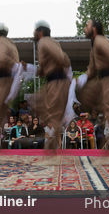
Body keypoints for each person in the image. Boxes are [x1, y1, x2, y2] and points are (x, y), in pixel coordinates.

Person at [79, 19, 109, 149]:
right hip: (105, 81)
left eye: (86, 26)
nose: (84, 28)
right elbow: (92, 70)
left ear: (94, 29)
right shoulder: (95, 45)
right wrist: (80, 79)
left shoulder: (100, 41)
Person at [28, 20, 70, 150]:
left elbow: (63, 59)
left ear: (40, 32)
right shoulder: (49, 42)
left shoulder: (44, 41)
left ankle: (51, 146)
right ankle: (51, 138)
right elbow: (44, 67)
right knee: (35, 101)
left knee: (53, 114)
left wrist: (52, 67)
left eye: (35, 31)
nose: (33, 33)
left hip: (57, 81)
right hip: (54, 81)